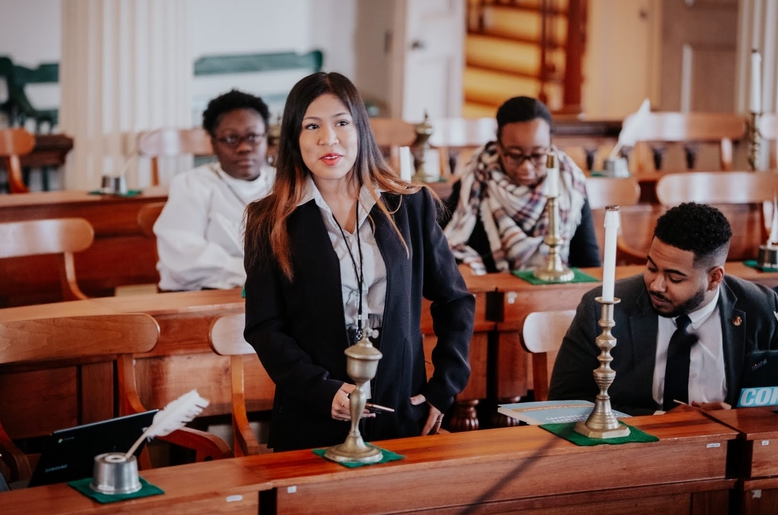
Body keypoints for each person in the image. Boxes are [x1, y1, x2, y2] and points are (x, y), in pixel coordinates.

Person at [243, 72, 475, 452]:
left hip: (400, 406)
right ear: (293, 139)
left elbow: (455, 301)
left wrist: (443, 388)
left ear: (360, 129)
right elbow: (265, 327)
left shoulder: (409, 205)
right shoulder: (269, 220)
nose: (328, 139)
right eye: (311, 126)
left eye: (341, 123)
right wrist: (320, 390)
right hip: (313, 413)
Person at [549, 202, 778, 415]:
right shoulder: (602, 307)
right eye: (651, 267)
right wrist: (661, 419)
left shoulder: (760, 308)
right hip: (633, 449)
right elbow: (565, 402)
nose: (656, 285)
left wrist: (734, 418)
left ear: (714, 278)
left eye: (675, 278)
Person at [442, 96, 600, 274]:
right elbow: (450, 252)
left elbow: (589, 264)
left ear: (550, 145)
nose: (527, 167)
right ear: (499, 147)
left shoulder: (570, 183)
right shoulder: (473, 183)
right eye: (515, 155)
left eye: (538, 155)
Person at [154, 90, 276, 290]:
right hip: (207, 297)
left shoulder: (285, 183)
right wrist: (260, 275)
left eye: (253, 136)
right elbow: (184, 257)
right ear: (213, 143)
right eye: (230, 139)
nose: (244, 147)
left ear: (266, 138)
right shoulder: (192, 185)